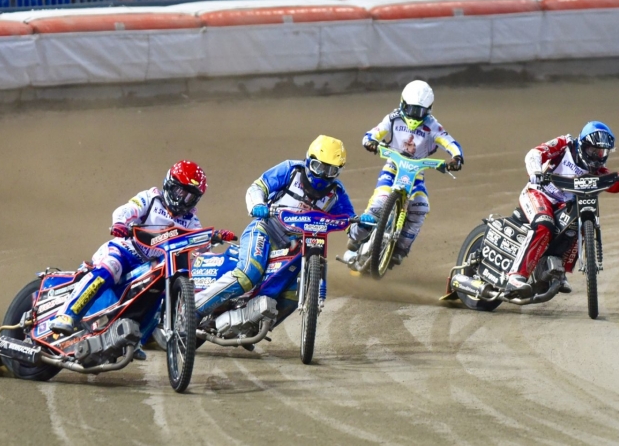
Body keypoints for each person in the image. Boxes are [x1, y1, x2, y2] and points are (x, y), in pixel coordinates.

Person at [51, 161, 223, 338]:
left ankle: (135, 341)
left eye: (190, 196)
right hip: (125, 251)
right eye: (181, 191)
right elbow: (126, 210)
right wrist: (120, 223)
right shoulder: (151, 198)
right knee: (110, 267)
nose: (183, 199)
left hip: (152, 266)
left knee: (158, 292)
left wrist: (214, 236)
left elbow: (199, 245)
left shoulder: (192, 220)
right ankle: (67, 315)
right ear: (170, 184)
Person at [195, 136, 360, 317]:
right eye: (318, 167)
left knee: (291, 295)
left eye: (330, 170)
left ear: (338, 171)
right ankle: (195, 309)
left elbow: (351, 225)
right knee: (249, 274)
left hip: (297, 247)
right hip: (266, 229)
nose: (322, 175)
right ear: (308, 160)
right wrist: (257, 205)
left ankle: (256, 322)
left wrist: (364, 226)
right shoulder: (290, 170)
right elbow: (258, 187)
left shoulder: (337, 193)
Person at [506, 122, 619, 296]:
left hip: (563, 205)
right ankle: (515, 277)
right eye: (593, 150)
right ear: (583, 145)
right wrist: (535, 172)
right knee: (544, 224)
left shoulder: (595, 169)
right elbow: (535, 153)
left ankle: (558, 269)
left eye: (601, 152)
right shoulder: (565, 144)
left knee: (578, 220)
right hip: (539, 194)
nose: (597, 156)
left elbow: (610, 183)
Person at [349, 81, 463, 267]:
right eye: (410, 109)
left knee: (420, 207)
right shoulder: (393, 118)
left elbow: (450, 142)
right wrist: (370, 142)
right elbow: (372, 134)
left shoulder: (433, 126)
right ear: (402, 104)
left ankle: (400, 249)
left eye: (419, 111)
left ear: (428, 110)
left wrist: (457, 157)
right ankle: (355, 235)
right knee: (379, 203)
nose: (414, 115)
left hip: (416, 174)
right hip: (392, 168)